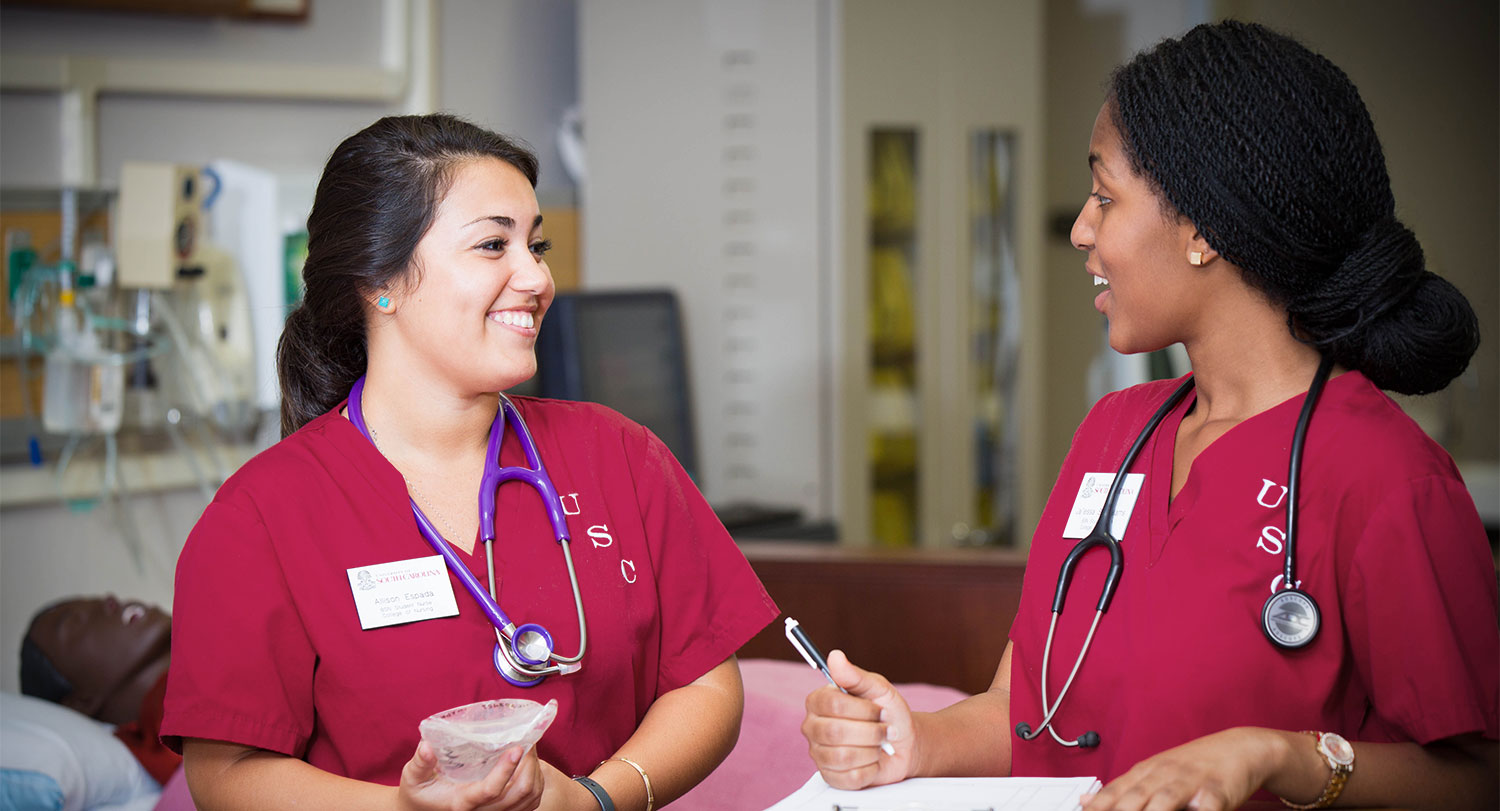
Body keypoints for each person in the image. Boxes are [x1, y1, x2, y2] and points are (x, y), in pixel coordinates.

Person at [800, 20, 1497, 811]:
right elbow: (1031, 712)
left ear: (1203, 229)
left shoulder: (1388, 478)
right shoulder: (1114, 433)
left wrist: (1277, 754)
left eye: (1105, 196)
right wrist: (914, 739)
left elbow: (1477, 778)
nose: (1080, 230)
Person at [161, 113, 779, 810]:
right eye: (493, 244)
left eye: (536, 245)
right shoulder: (261, 516)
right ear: (380, 280)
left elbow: (705, 680)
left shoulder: (619, 458)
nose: (537, 277)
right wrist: (401, 809)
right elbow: (226, 773)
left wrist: (595, 801)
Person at [20, 594, 180, 784]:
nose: (111, 600)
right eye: (75, 623)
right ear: (80, 702)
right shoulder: (185, 733)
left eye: (98, 602)